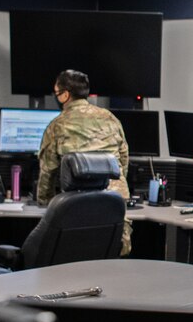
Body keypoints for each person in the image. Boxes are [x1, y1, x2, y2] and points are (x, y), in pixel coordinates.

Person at [36, 69, 133, 256]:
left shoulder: (58, 125)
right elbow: (123, 159)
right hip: (113, 203)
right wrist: (118, 187)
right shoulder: (110, 118)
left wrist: (45, 203)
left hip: (76, 207)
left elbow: (48, 170)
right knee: (114, 254)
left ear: (65, 95)